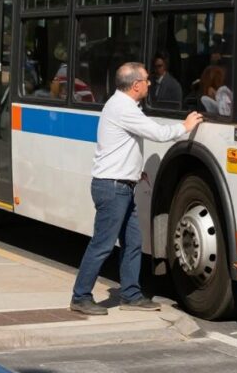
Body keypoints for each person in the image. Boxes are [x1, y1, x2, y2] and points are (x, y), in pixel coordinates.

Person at [70, 62, 203, 316]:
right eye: (146, 80)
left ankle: (130, 295)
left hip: (121, 185)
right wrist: (185, 126)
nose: (149, 83)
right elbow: (158, 133)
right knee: (102, 244)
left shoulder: (120, 104)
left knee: (133, 242)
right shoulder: (123, 108)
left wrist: (133, 171)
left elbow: (121, 145)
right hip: (113, 188)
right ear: (135, 85)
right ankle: (80, 296)